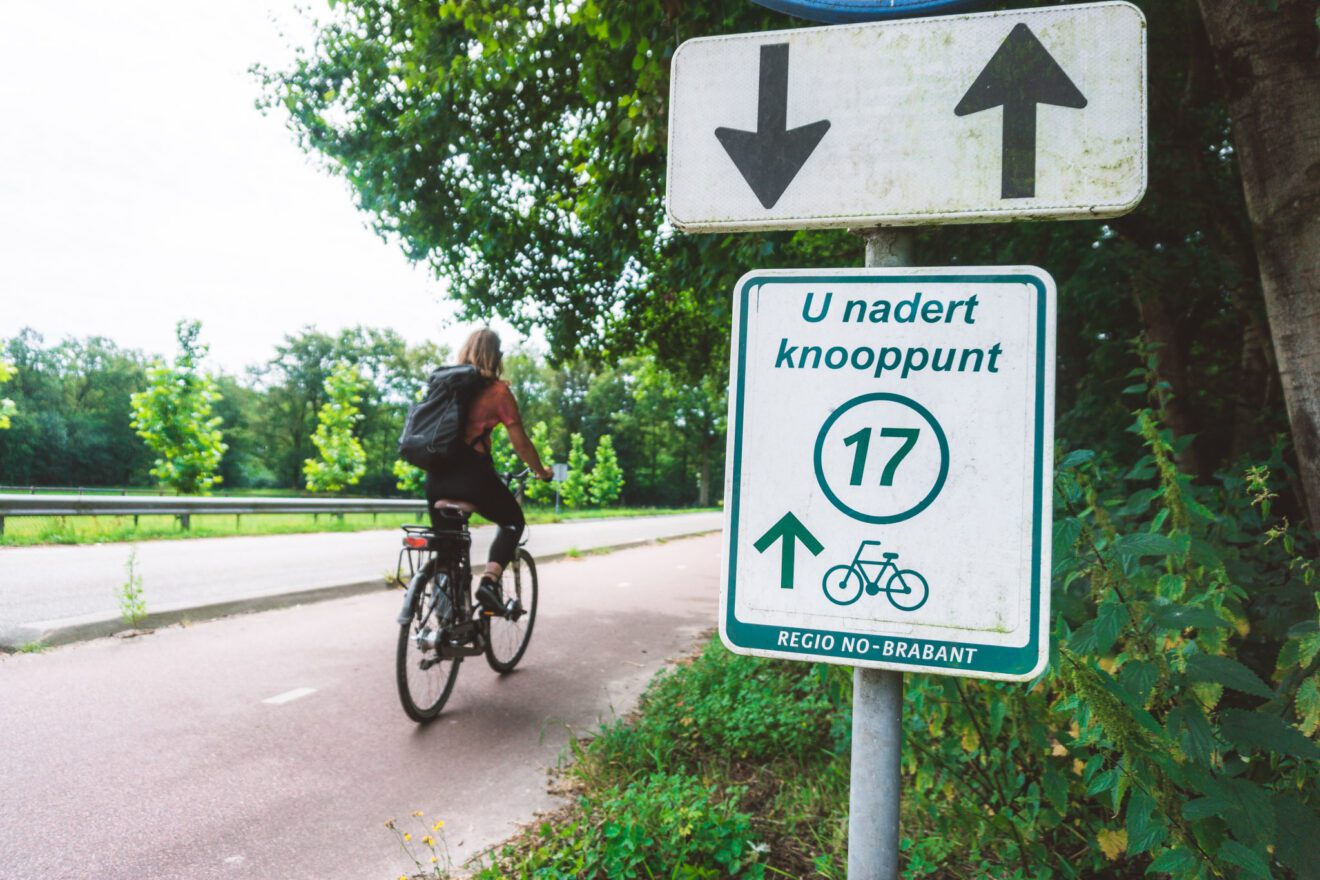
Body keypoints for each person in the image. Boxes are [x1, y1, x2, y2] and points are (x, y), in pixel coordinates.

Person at [425, 328, 552, 616]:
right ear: (496, 356)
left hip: (435, 478)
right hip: (471, 478)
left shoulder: (442, 385)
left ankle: (446, 624)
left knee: (447, 551)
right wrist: (541, 471)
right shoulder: (498, 392)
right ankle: (489, 583)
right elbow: (521, 444)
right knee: (512, 522)